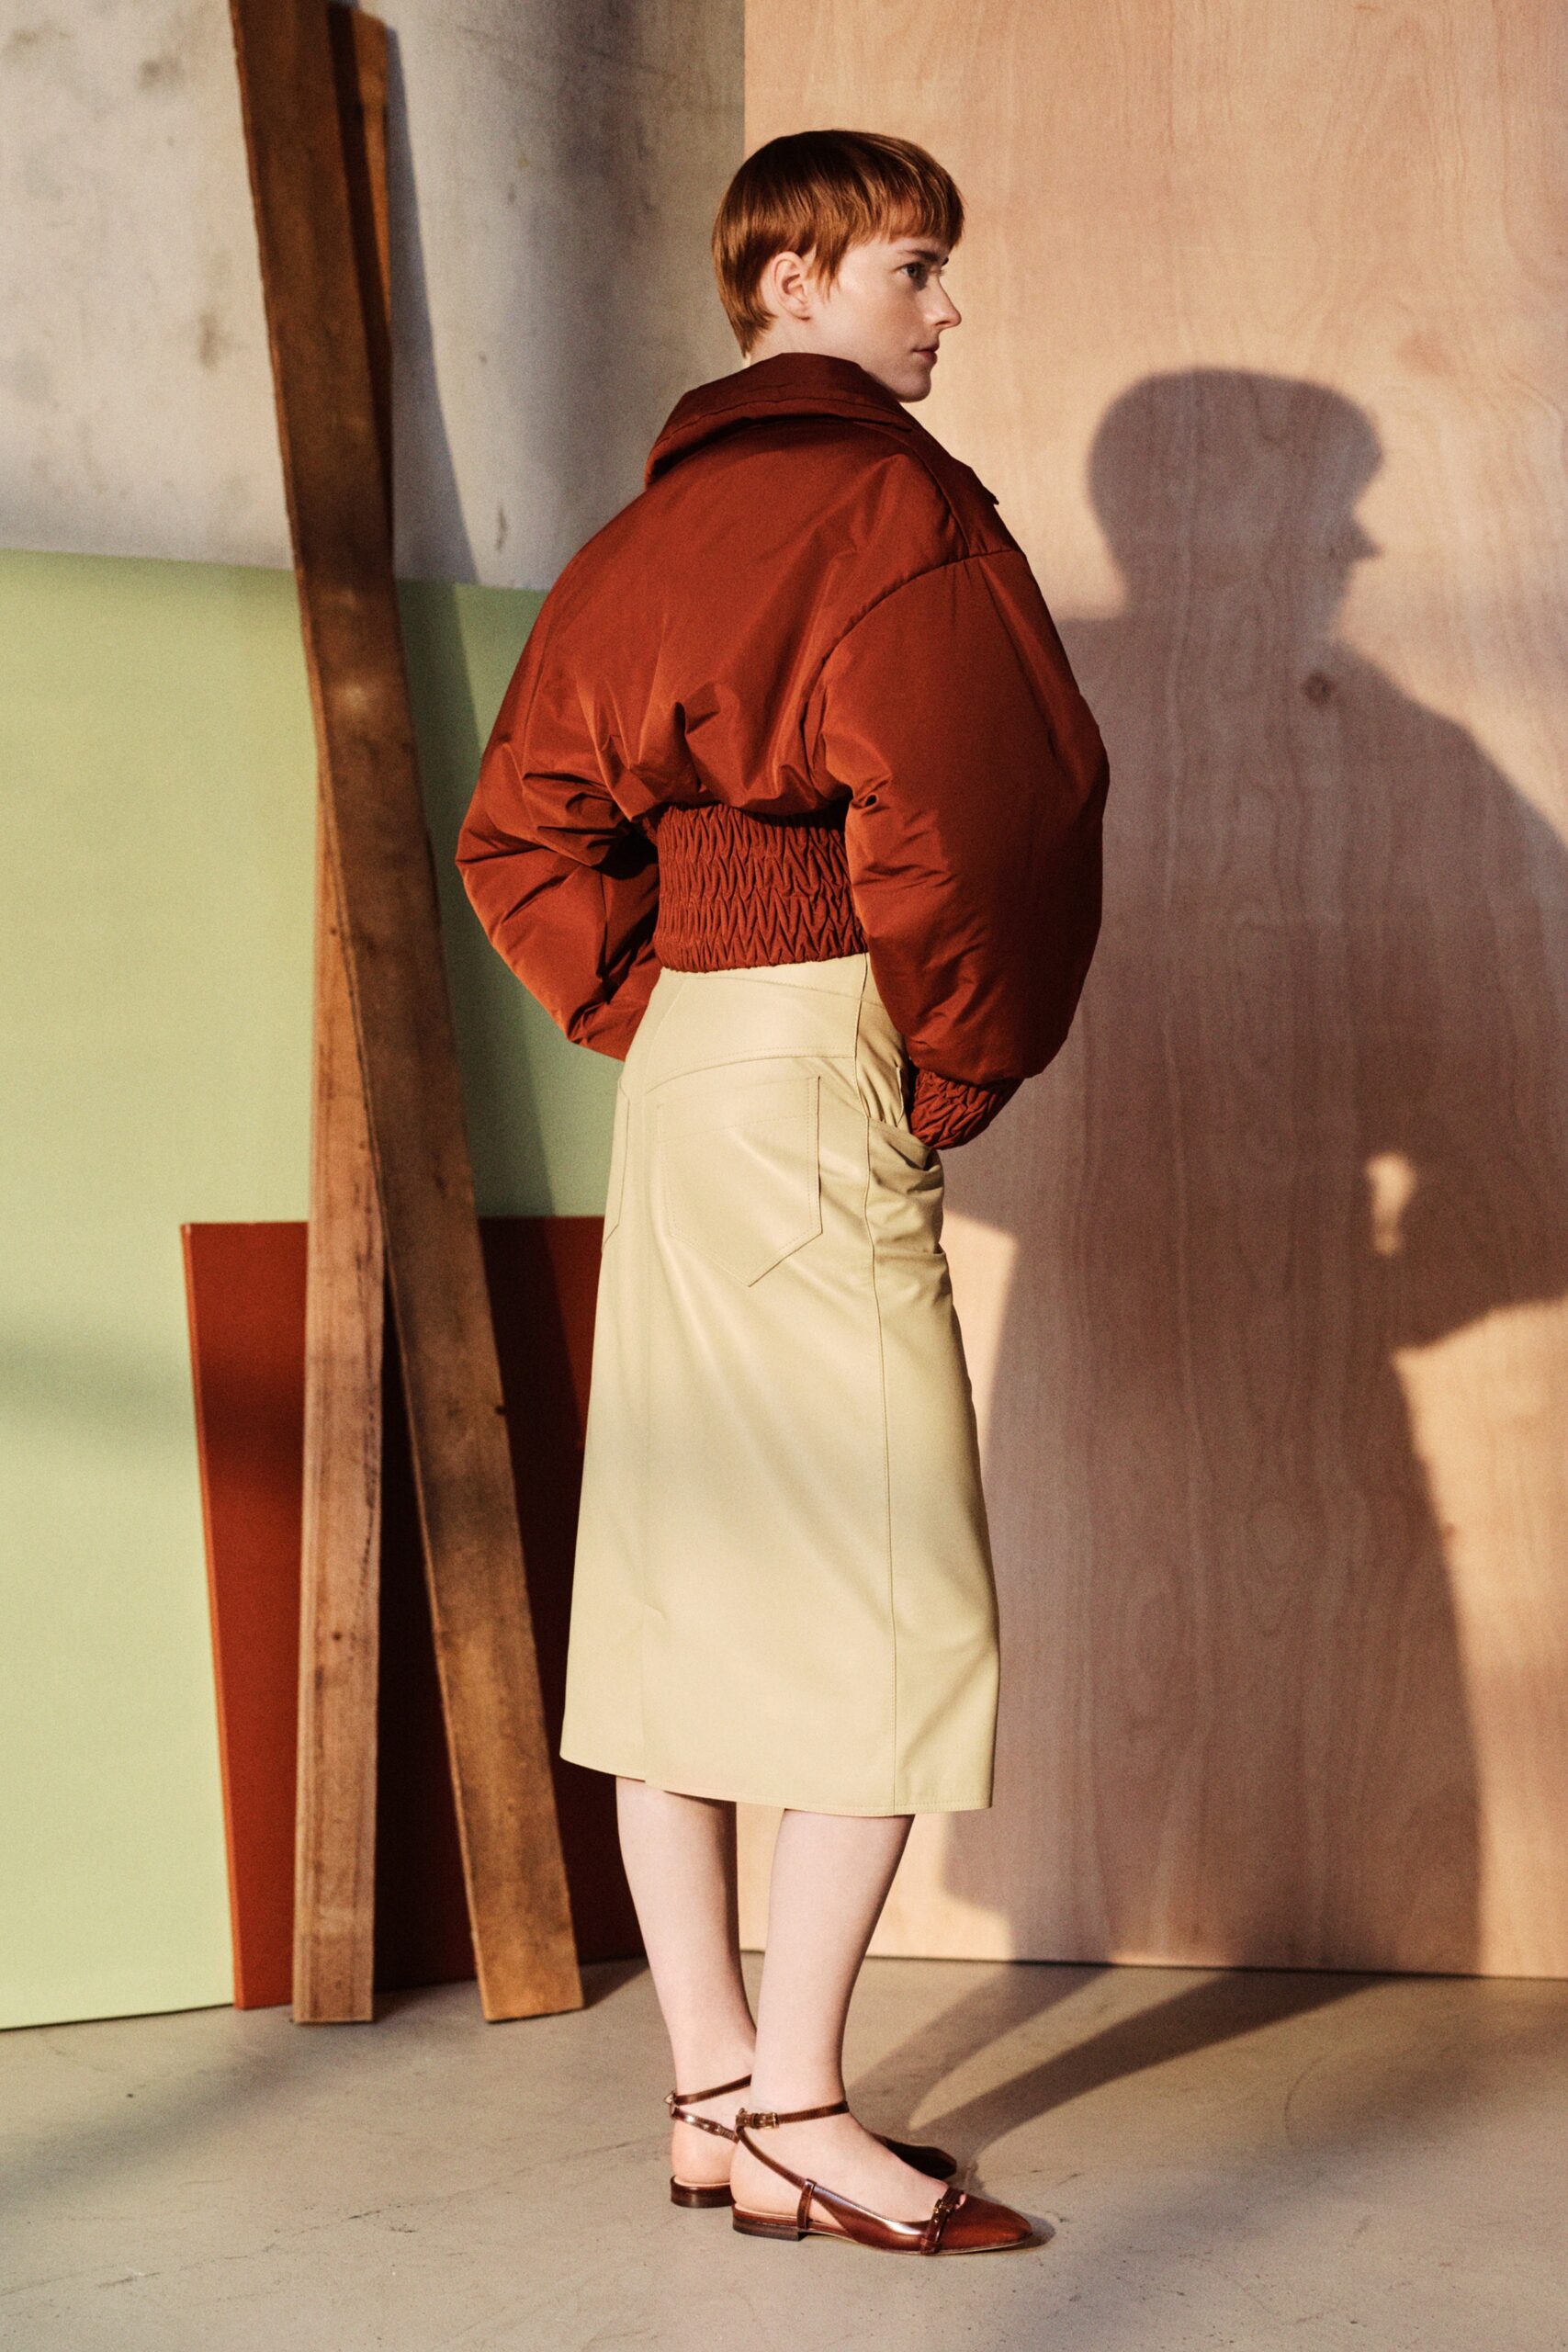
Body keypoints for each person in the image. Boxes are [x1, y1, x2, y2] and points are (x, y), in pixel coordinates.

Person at [456, 127, 1109, 2256]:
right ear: (799, 273)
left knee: (677, 1574)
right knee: (886, 1594)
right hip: (825, 1041)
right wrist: (942, 1063)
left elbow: (515, 831)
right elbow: (992, 820)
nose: (942, 304)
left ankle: (713, 2091)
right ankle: (814, 2107)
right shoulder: (893, 509)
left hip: (692, 1079)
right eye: (914, 262)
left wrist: (660, 994)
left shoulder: (637, 533)